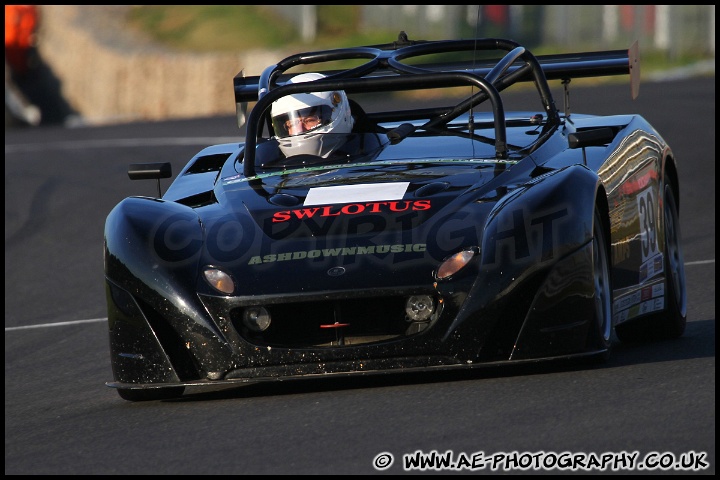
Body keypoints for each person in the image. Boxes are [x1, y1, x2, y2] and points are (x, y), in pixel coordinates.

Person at [270, 72, 355, 158]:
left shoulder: (365, 156)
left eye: (309, 120)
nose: (299, 130)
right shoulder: (271, 165)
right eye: (291, 124)